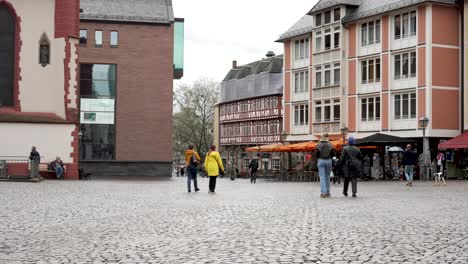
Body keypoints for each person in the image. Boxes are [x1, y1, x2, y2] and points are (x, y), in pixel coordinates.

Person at [315, 133, 335, 198]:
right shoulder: (330, 145)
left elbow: (316, 154)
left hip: (321, 160)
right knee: (327, 177)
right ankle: (328, 193)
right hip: (329, 160)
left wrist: (318, 159)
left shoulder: (318, 145)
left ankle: (323, 193)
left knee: (322, 177)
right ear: (327, 138)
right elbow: (333, 154)